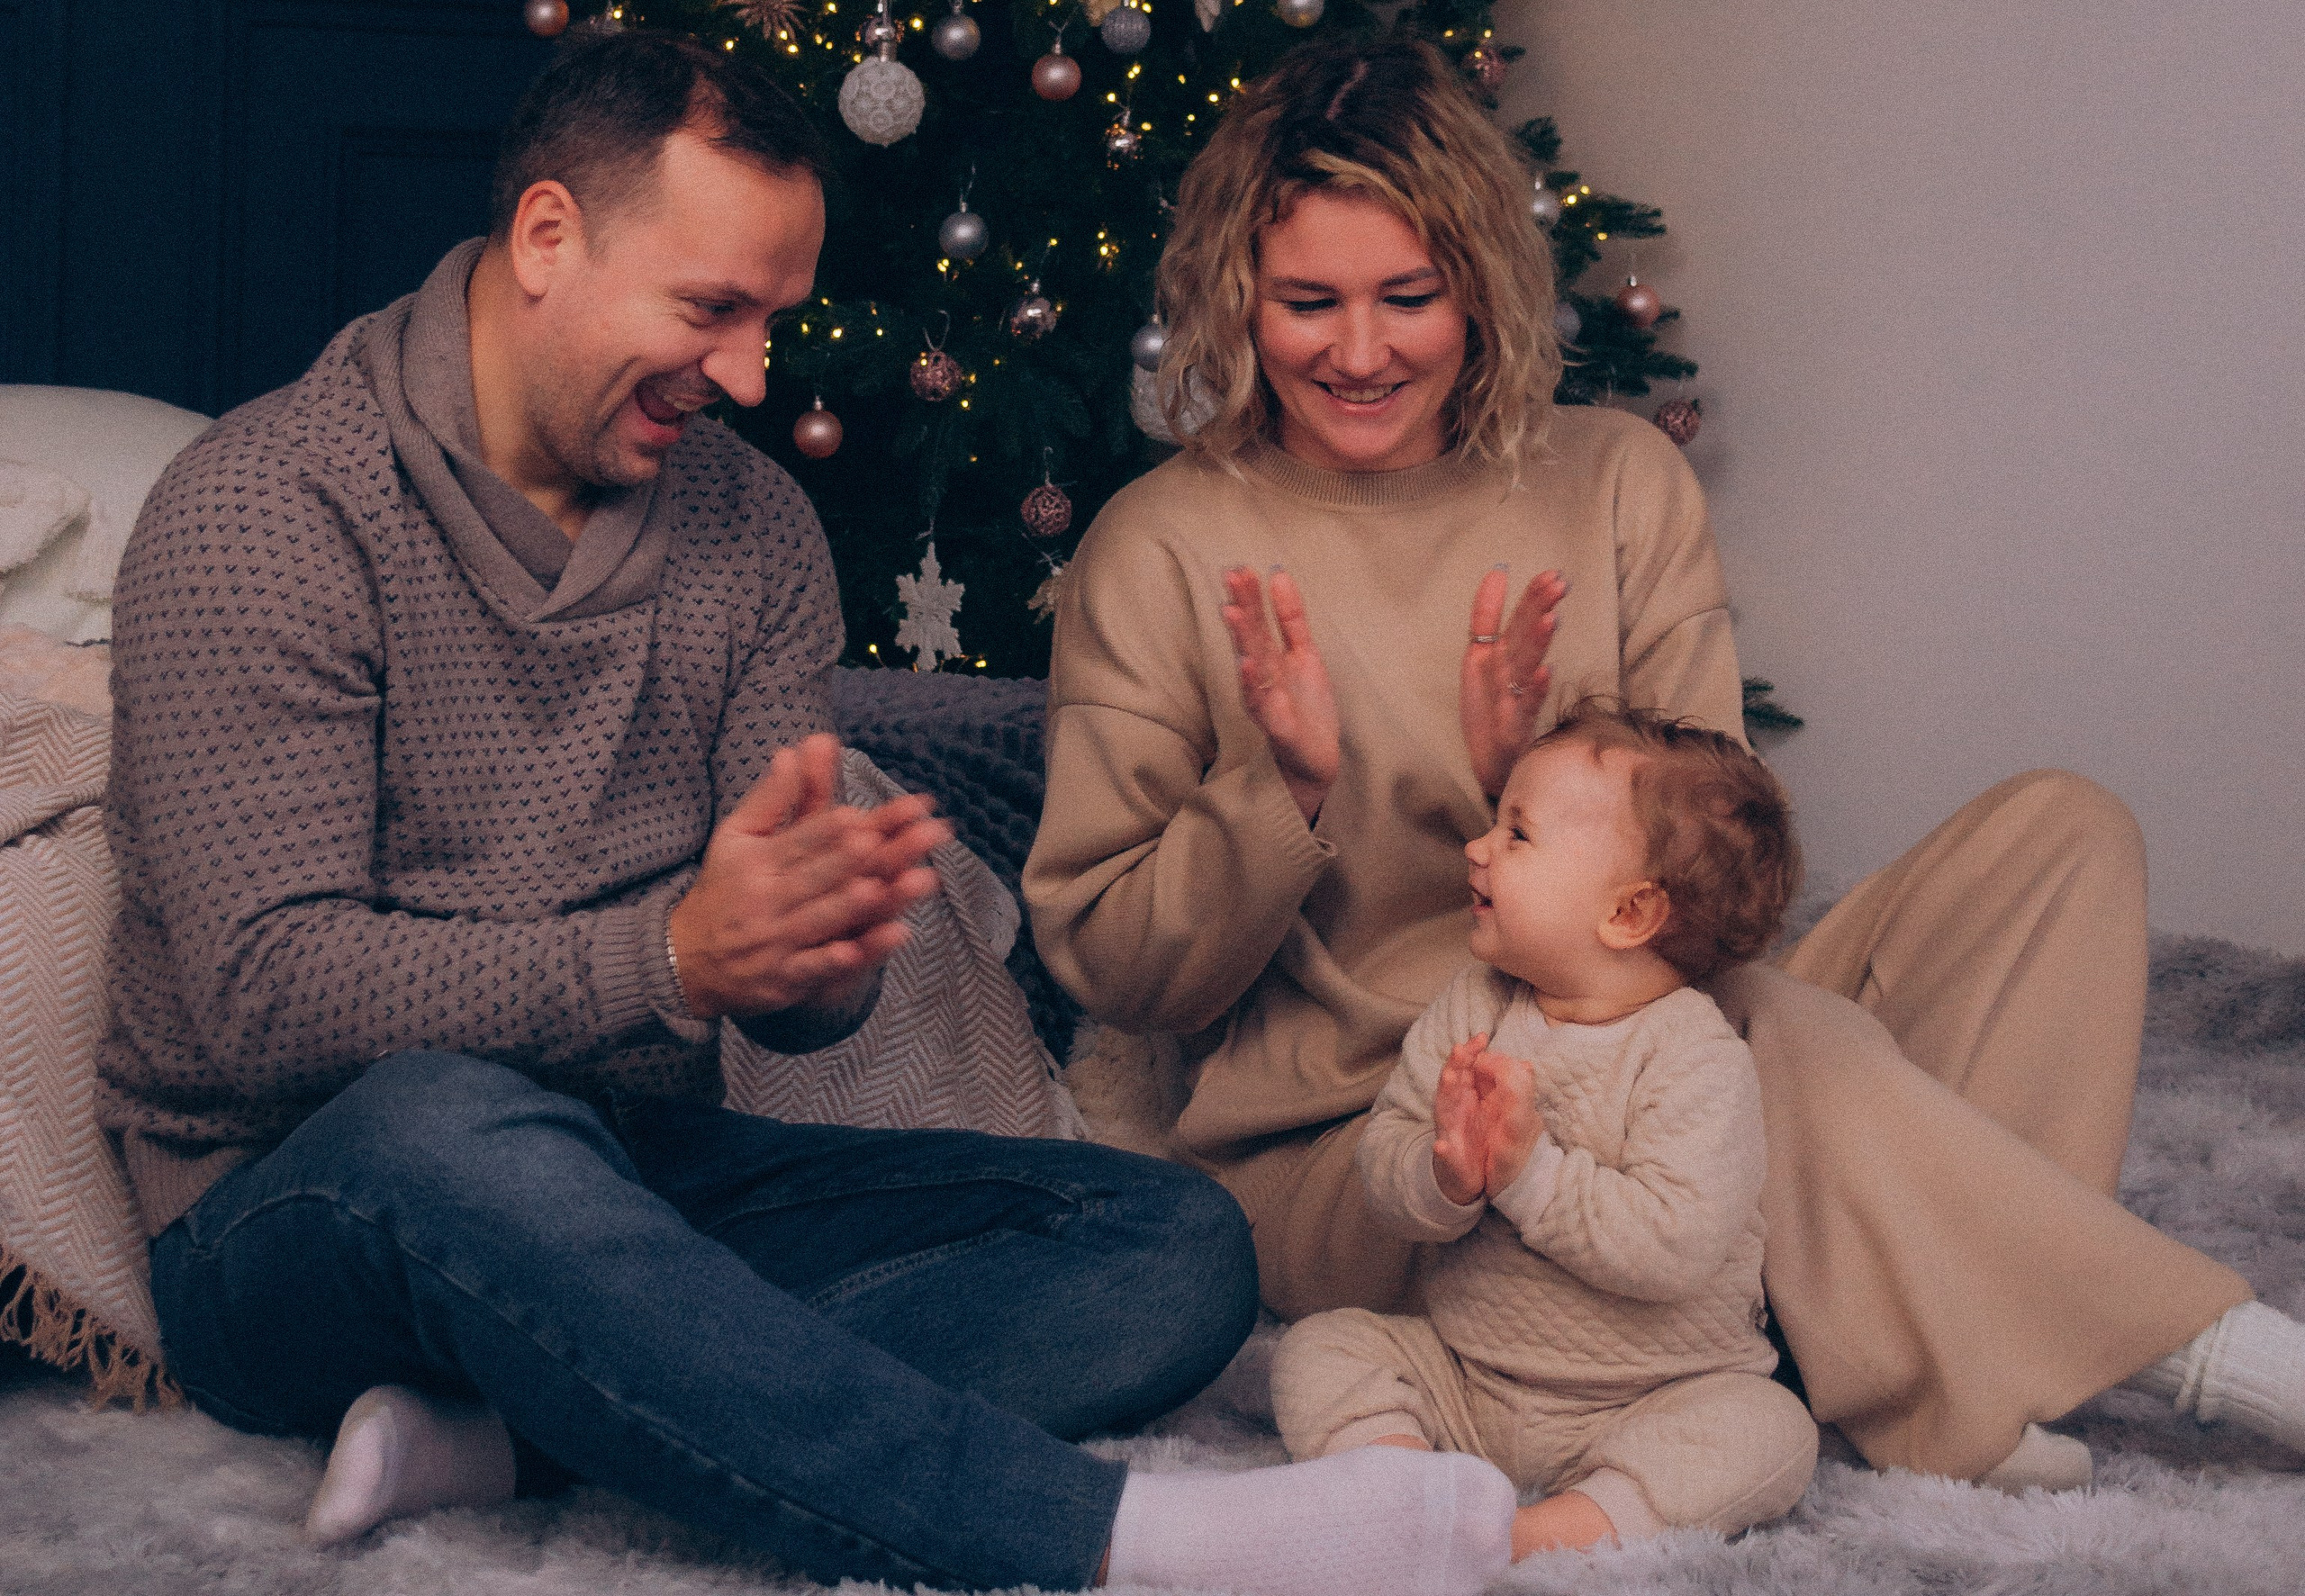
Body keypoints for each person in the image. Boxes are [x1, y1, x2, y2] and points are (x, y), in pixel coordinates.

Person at [95, 31, 1526, 1596]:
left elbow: (771, 1007)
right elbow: (264, 999)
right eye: (713, 309)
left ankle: (517, 1429)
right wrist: (676, 958)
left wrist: (816, 943)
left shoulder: (752, 527)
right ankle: (1106, 1533)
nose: (753, 377)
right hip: (296, 1202)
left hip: (630, 1162)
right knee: (456, 1118)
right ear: (548, 238)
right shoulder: (266, 510)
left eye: (775, 319)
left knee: (1170, 1247)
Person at [1023, 33, 2305, 1494]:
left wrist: (1539, 770)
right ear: (1234, 298)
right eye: (1309, 301)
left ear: (1483, 288)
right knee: (1790, 1051)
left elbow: (1729, 905)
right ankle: (2183, 1352)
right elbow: (1114, 972)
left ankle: (1923, 1321)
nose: (1360, 351)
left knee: (2062, 837)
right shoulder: (1162, 541)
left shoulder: (1616, 478)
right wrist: (1286, 790)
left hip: (1649, 1051)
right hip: (1372, 1139)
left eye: (1410, 297)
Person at [1270, 703, 1817, 1556]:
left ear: (1629, 915)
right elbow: (1388, 1160)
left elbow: (1672, 1245)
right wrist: (1444, 1175)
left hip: (1649, 1395)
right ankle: (1403, 1489)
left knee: (1770, 1431)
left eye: (1517, 834)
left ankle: (1547, 1533)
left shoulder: (1695, 1056)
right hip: (1469, 1375)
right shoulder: (1473, 1004)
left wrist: (1526, 1172)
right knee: (1320, 1348)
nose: (1478, 848)